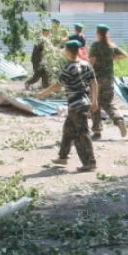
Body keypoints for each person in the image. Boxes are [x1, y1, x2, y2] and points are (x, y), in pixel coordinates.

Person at [35, 39, 98, 172]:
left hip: (76, 105)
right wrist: (94, 100)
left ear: (68, 51)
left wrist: (42, 93)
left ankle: (90, 162)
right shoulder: (86, 65)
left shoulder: (69, 67)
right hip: (83, 102)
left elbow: (58, 84)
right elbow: (94, 83)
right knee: (68, 130)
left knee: (82, 134)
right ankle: (63, 157)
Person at [88, 24, 128, 140]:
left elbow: (91, 62)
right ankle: (119, 119)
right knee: (108, 103)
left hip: (97, 80)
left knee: (95, 103)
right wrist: (111, 58)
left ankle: (97, 131)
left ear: (98, 33)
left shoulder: (95, 45)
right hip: (109, 79)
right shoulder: (111, 46)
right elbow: (125, 55)